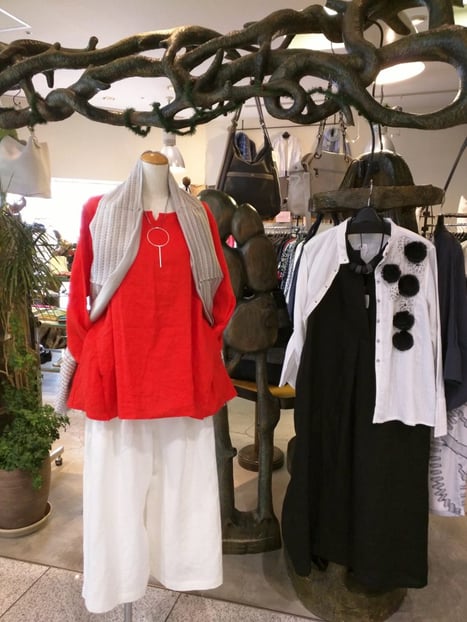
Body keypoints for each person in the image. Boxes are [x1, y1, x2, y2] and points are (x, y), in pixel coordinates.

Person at [56, 151, 236, 613]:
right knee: (116, 485)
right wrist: (87, 355)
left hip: (183, 367)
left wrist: (203, 346)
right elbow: (80, 293)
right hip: (118, 368)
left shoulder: (199, 216)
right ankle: (118, 585)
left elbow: (220, 296)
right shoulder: (99, 210)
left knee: (184, 480)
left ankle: (181, 567)